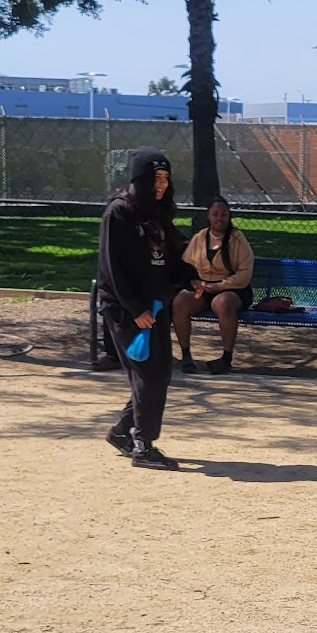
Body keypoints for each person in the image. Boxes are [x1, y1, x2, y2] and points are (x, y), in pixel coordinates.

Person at [95, 148, 185, 467]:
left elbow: (173, 255)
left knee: (160, 371)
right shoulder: (119, 212)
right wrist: (134, 308)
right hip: (127, 308)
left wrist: (191, 278)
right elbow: (111, 268)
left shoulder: (157, 213)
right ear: (140, 179)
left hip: (155, 304)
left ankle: (123, 431)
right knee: (148, 373)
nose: (161, 185)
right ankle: (143, 445)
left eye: (165, 178)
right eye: (155, 179)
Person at [174, 197, 255, 374]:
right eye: (215, 214)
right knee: (180, 302)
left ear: (229, 217)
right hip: (202, 288)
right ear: (208, 216)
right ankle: (186, 356)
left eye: (224, 215)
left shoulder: (237, 239)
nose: (219, 218)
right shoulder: (200, 237)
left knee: (222, 303)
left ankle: (226, 358)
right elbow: (185, 266)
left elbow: (244, 274)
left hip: (232, 289)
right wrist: (194, 282)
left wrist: (219, 286)